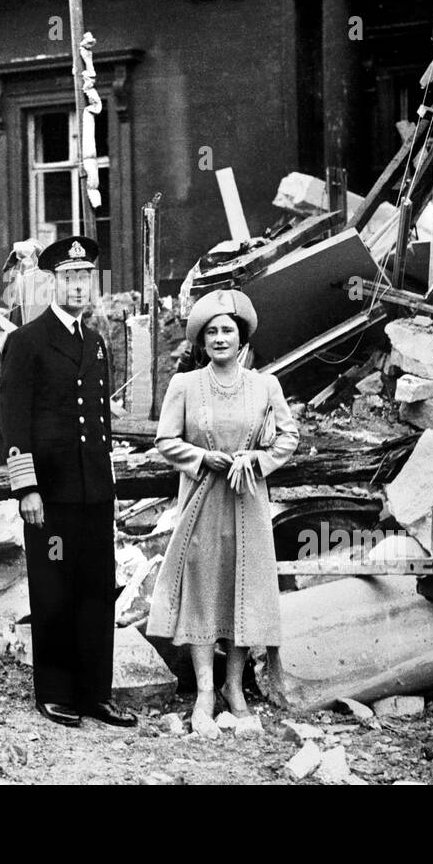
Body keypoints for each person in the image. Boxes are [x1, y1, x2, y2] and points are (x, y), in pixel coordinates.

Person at [146, 288, 299, 737]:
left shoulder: (265, 385)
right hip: (202, 499)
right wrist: (200, 458)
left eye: (227, 330)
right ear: (201, 342)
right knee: (203, 588)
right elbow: (164, 440)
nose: (219, 338)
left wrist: (256, 459)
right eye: (211, 332)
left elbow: (287, 437)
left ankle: (235, 687)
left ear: (242, 338)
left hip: (247, 499)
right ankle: (205, 692)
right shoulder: (185, 386)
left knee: (242, 586)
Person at [0, 234, 136, 730]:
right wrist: (26, 488)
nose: (79, 286)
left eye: (86, 277)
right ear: (53, 282)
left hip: (94, 492)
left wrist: (110, 489)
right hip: (50, 498)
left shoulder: (95, 343)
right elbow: (14, 423)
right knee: (55, 588)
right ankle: (56, 691)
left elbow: (98, 422)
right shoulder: (27, 341)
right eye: (70, 277)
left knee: (98, 591)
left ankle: (95, 692)